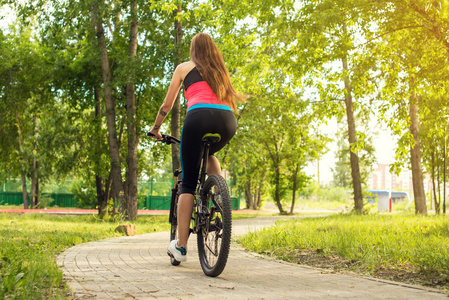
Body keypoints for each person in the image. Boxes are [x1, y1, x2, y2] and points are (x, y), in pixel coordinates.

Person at [149, 32, 241, 262]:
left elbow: (167, 104)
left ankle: (180, 247)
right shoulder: (220, 70)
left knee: (188, 183)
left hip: (197, 118)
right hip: (227, 121)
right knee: (208, 154)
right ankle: (221, 200)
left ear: (193, 49)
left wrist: (156, 128)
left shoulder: (184, 68)